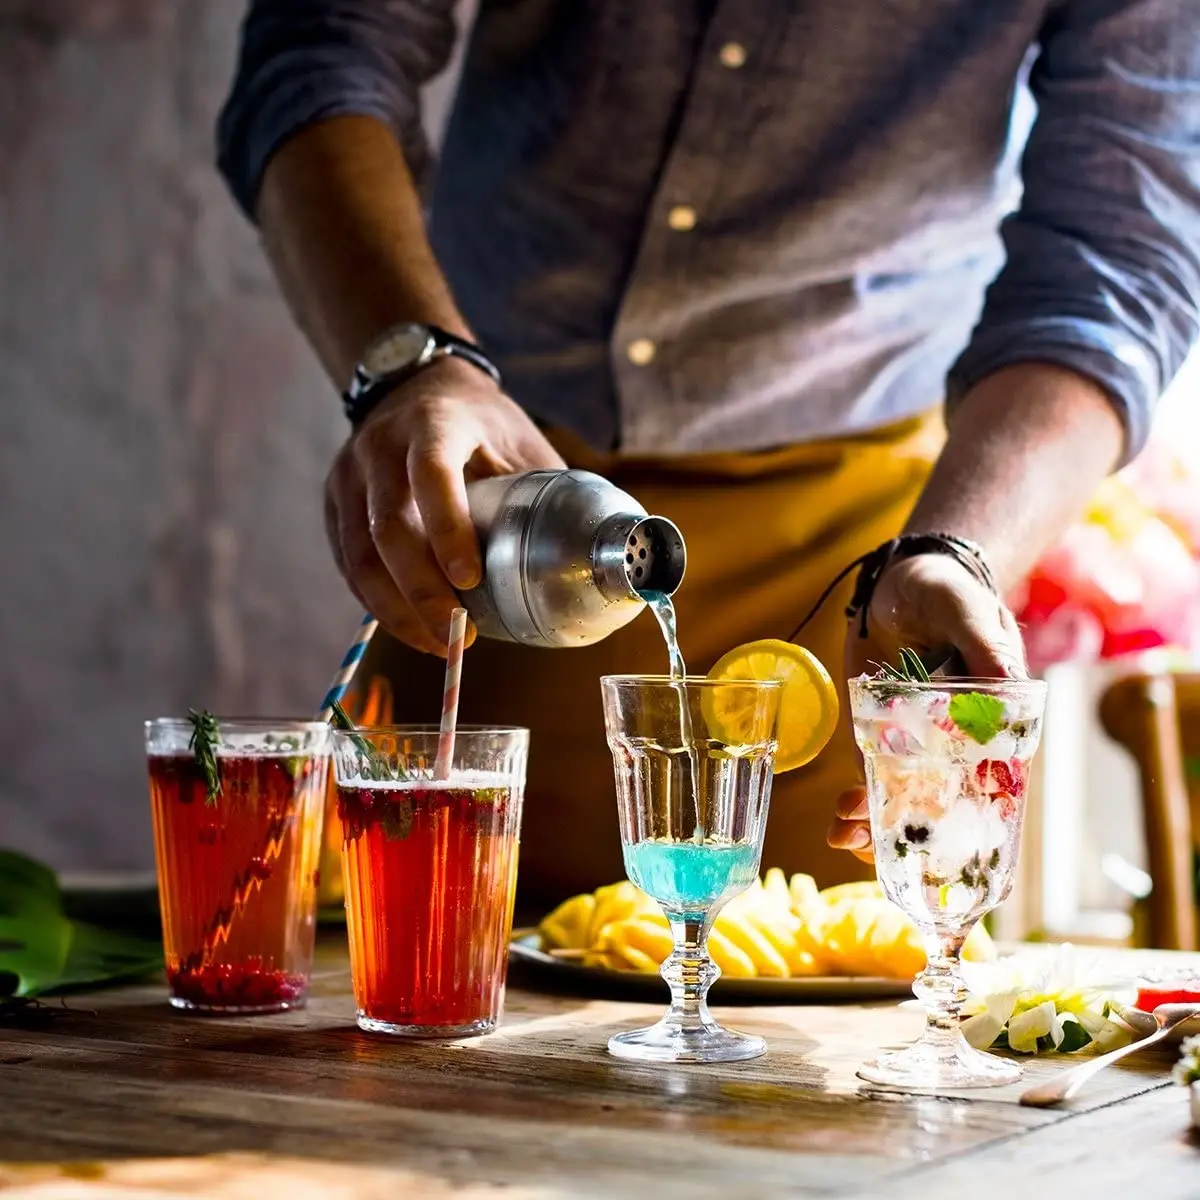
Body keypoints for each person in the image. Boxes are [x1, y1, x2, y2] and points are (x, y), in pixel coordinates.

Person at [216, 2, 1200, 909]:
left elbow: (1119, 261)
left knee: (820, 1030)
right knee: (417, 987)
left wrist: (955, 553)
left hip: (858, 588)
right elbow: (321, 46)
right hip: (499, 524)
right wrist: (411, 366)